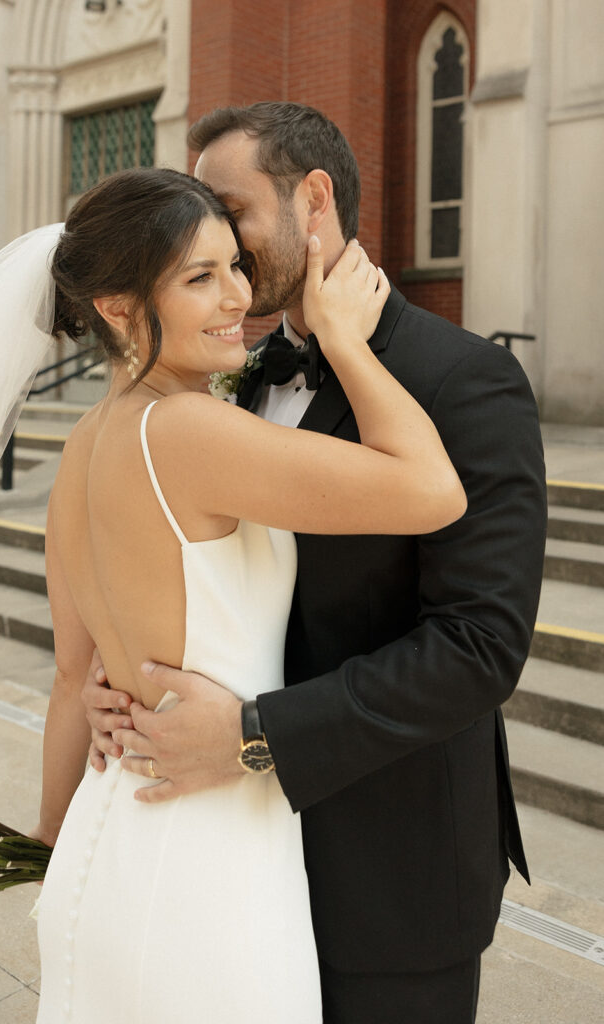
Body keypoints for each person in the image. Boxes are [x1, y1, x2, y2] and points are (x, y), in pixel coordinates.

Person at [82, 104, 548, 1023]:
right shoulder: (236, 375)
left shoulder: (465, 381)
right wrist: (123, 669)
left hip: (392, 870)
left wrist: (255, 734)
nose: (210, 236)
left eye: (228, 209)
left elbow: (479, 647)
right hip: (240, 863)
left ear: (315, 200)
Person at [26, 165, 465, 1023]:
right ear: (117, 308)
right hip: (208, 851)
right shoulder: (188, 430)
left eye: (234, 264)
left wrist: (48, 840)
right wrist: (344, 341)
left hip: (108, 837)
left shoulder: (82, 445)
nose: (239, 297)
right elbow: (432, 490)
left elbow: (71, 683)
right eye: (199, 277)